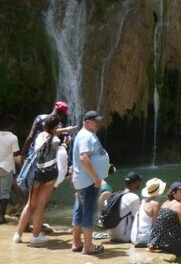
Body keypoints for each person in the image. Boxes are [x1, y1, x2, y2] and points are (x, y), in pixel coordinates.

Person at [13, 113, 67, 245]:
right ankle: (36, 236)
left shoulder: (40, 136)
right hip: (49, 174)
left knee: (30, 204)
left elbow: (51, 133)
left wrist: (66, 129)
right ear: (54, 127)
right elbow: (59, 153)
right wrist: (64, 145)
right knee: (40, 205)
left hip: (36, 173)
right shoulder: (55, 140)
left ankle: (18, 234)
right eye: (58, 125)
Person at [71, 110, 110, 256]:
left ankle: (77, 242)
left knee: (79, 210)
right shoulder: (86, 136)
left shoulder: (85, 135)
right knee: (90, 212)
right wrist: (95, 177)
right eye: (96, 121)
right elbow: (83, 158)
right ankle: (88, 246)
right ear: (87, 121)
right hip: (89, 181)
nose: (99, 123)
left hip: (84, 180)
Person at [107, 172, 142, 243]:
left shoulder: (115, 195)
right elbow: (137, 219)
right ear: (135, 183)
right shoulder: (134, 197)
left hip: (111, 235)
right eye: (138, 182)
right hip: (125, 237)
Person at [131, 177, 165, 248]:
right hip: (144, 239)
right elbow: (155, 224)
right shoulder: (155, 204)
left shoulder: (142, 201)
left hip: (134, 237)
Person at [0, 115, 20, 223]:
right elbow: (15, 153)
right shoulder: (13, 137)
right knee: (4, 192)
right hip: (7, 167)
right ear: (11, 125)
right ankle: (1, 217)